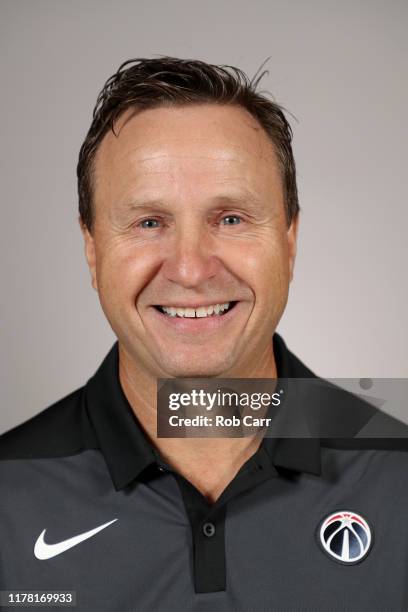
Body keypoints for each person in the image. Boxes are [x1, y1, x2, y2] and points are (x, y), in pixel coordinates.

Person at [1, 57, 407, 611]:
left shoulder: (397, 474)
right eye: (149, 222)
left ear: (289, 242)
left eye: (231, 219)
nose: (190, 270)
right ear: (92, 250)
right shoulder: (8, 496)